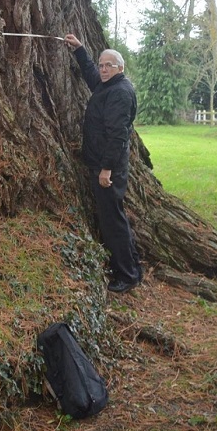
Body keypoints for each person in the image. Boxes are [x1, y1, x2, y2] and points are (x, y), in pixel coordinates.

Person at [64, 34, 142, 293]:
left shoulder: (120, 92)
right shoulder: (107, 85)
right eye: (101, 64)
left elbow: (118, 134)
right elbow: (91, 76)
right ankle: (129, 268)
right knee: (112, 218)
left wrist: (106, 169)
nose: (104, 68)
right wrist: (79, 50)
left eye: (109, 65)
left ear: (121, 68)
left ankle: (127, 275)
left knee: (113, 221)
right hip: (100, 163)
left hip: (108, 168)